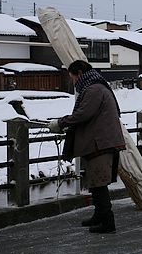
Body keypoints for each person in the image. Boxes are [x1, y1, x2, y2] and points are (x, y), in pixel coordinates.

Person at [49, 60, 125, 233]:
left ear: (80, 74)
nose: (73, 82)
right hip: (101, 141)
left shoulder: (93, 89)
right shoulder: (97, 85)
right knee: (96, 183)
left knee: (99, 183)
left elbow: (83, 114)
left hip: (100, 143)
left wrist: (61, 123)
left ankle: (107, 221)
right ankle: (99, 215)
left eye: (73, 78)